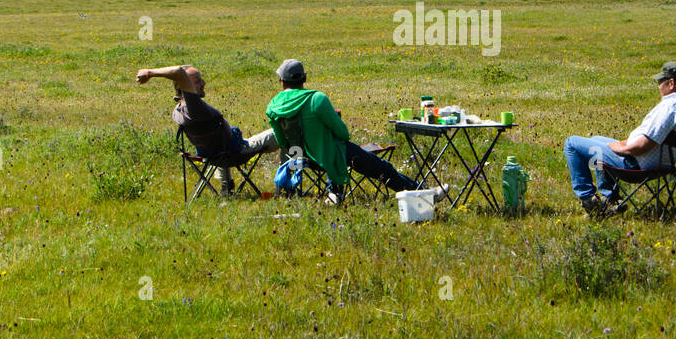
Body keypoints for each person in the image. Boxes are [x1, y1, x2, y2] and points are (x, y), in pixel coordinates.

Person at [265, 59, 446, 204]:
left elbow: (283, 142)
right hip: (329, 156)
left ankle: (335, 193)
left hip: (300, 159)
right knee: (382, 168)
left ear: (282, 81)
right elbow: (344, 134)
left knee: (338, 151)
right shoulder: (316, 99)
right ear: (304, 78)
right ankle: (422, 194)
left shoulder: (273, 106)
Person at [563, 61, 676, 217]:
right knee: (597, 139)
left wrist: (622, 149)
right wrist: (624, 142)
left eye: (661, 81)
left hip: (635, 166)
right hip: (661, 164)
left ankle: (589, 200)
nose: (659, 85)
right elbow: (651, 138)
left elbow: (643, 145)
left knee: (571, 143)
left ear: (671, 83)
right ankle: (610, 198)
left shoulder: (670, 107)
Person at [135, 64, 279, 196]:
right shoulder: (194, 108)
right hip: (234, 151)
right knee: (281, 133)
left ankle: (226, 186)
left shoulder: (178, 110)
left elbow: (181, 73)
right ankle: (285, 185)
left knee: (220, 144)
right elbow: (179, 72)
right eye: (197, 81)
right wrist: (150, 73)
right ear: (185, 85)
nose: (203, 83)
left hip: (211, 154)